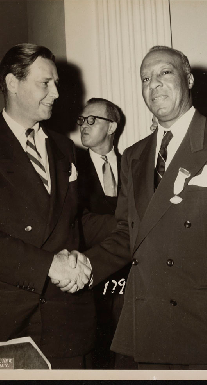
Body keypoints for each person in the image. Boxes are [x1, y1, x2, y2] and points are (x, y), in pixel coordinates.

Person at [61, 45, 207, 369]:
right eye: (145, 78)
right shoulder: (133, 156)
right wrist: (88, 266)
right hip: (149, 325)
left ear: (188, 79)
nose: (154, 84)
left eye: (165, 73)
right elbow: (128, 233)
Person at [0, 43, 113, 369]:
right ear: (12, 83)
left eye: (56, 83)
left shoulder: (65, 148)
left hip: (69, 324)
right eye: (45, 83)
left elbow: (73, 220)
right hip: (9, 324)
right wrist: (48, 266)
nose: (56, 93)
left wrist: (135, 222)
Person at [75, 98, 132, 368]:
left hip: (126, 278)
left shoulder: (133, 166)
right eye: (81, 120)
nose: (83, 126)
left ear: (111, 127)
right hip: (89, 276)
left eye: (91, 120)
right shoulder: (70, 166)